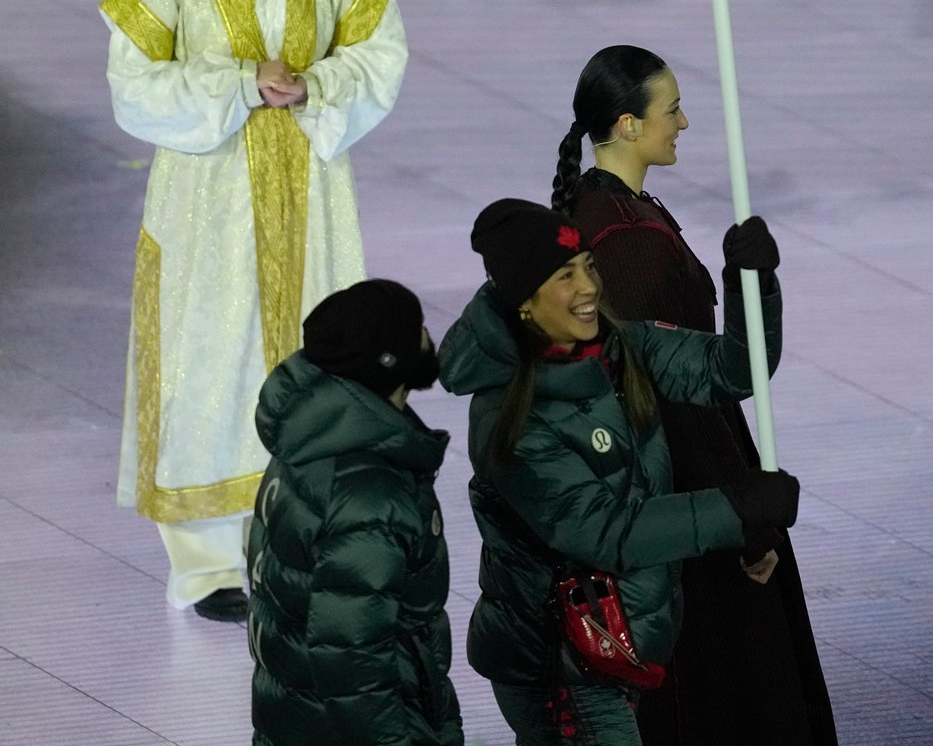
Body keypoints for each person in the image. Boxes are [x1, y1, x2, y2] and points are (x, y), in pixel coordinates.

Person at [99, 0, 408, 621]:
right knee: (206, 354)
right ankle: (207, 568)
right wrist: (238, 82)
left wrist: (315, 87)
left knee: (312, 351)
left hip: (310, 182)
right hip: (209, 198)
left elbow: (379, 47)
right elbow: (134, 86)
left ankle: (303, 543)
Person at [552, 45, 837, 746]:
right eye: (671, 108)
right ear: (624, 124)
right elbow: (678, 404)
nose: (684, 122)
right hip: (691, 506)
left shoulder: (606, 212)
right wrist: (746, 519)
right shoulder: (628, 242)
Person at [439, 197, 800, 746]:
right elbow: (605, 532)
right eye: (566, 275)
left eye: (588, 265)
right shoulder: (511, 418)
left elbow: (729, 371)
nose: (589, 287)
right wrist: (736, 510)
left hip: (607, 642)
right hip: (557, 662)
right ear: (524, 303)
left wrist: (751, 287)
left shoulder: (619, 347)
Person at [248, 279, 463, 746]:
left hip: (294, 719)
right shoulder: (369, 496)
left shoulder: (312, 439)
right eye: (418, 330)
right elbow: (353, 661)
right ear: (392, 361)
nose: (428, 337)